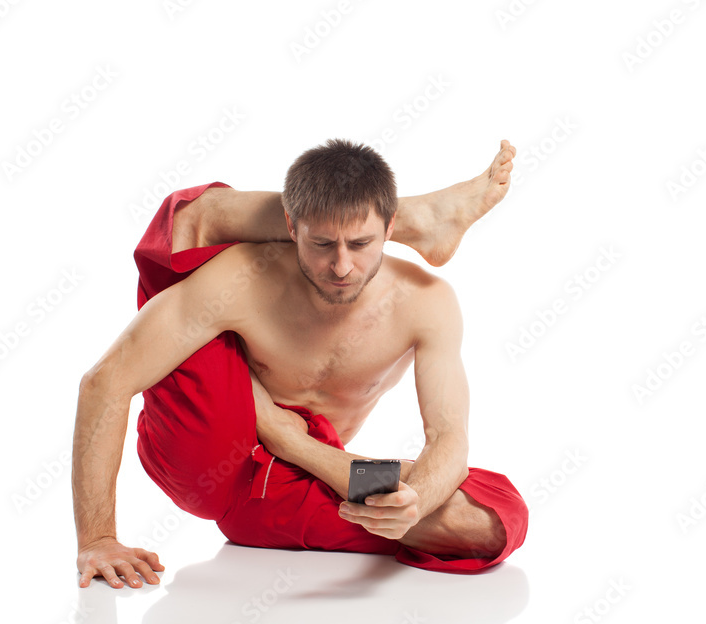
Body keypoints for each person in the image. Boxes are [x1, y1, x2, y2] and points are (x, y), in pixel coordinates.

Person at [72, 139, 528, 588]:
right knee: (183, 222)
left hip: (304, 479)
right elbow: (104, 382)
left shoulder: (428, 303)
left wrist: (413, 502)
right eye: (323, 243)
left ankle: (308, 454)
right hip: (208, 450)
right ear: (290, 227)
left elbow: (449, 437)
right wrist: (98, 539)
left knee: (496, 516)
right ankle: (420, 218)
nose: (342, 266)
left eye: (361, 242)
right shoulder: (241, 278)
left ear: (389, 229)